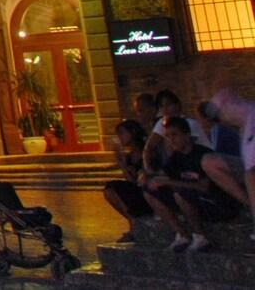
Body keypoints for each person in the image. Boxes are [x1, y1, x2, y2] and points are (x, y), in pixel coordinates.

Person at [143, 115, 236, 252]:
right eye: (167, 136)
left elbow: (204, 186)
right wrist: (150, 179)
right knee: (150, 191)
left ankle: (200, 236)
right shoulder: (175, 157)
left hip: (215, 202)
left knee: (181, 194)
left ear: (187, 135)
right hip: (192, 200)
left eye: (174, 135)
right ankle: (182, 234)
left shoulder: (202, 154)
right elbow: (163, 176)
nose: (171, 139)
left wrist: (171, 182)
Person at [197, 88, 252, 215]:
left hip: (247, 167)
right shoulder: (215, 132)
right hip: (246, 167)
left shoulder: (221, 129)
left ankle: (248, 204)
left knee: (209, 163)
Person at [102, 119, 155, 242]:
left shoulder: (146, 152)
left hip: (148, 191)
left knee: (116, 188)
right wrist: (121, 163)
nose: (120, 138)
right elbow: (131, 180)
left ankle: (135, 226)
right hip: (137, 189)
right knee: (110, 189)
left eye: (122, 133)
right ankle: (133, 223)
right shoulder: (129, 156)